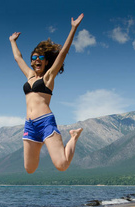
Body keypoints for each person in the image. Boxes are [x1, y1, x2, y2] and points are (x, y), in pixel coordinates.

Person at [9, 14, 84, 174]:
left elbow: (63, 53)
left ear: (46, 61)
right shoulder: (29, 75)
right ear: (31, 61)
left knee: (62, 165)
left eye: (41, 57)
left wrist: (73, 28)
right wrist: (12, 41)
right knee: (30, 169)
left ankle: (73, 137)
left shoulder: (48, 77)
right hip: (30, 125)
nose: (37, 59)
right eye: (34, 57)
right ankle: (44, 142)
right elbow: (17, 58)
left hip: (45, 123)